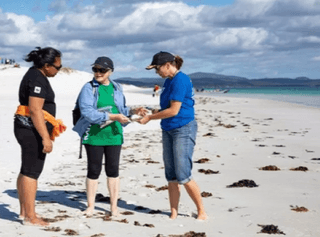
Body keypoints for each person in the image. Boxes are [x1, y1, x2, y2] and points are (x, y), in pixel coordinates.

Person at [73, 56, 146, 217]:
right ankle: (90, 206)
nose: (98, 73)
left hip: (114, 134)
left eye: (102, 70)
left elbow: (122, 110)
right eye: (95, 69)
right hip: (93, 134)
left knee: (113, 170)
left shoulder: (117, 87)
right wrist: (113, 117)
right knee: (94, 169)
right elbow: (87, 113)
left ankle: (114, 207)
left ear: (110, 72)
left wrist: (134, 111)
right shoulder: (88, 88)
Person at [139, 51, 208, 220]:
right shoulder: (168, 82)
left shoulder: (180, 79)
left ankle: (201, 212)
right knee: (171, 174)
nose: (157, 72)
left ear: (168, 65)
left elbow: (174, 110)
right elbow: (167, 108)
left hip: (183, 128)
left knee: (183, 173)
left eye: (157, 69)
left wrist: (149, 118)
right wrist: (152, 111)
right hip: (168, 128)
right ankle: (174, 212)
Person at [14, 47, 66, 226]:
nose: (58, 70)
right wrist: (45, 137)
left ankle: (24, 211)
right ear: (46, 65)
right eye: (57, 67)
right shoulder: (37, 78)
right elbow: (35, 109)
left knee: (26, 169)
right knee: (31, 172)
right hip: (31, 129)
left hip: (25, 127)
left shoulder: (35, 74)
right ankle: (30, 216)